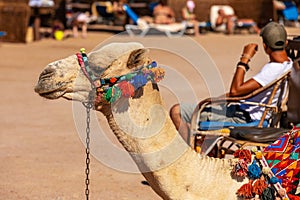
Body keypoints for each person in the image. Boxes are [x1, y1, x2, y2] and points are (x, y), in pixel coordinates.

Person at [169, 22, 293, 143]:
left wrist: (245, 59)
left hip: (242, 118)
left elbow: (235, 91)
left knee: (177, 110)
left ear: (265, 46)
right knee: (211, 105)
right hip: (249, 111)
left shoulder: (272, 70)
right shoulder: (289, 65)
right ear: (286, 43)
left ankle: (190, 157)